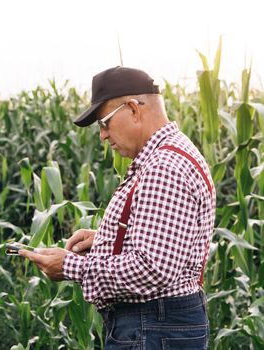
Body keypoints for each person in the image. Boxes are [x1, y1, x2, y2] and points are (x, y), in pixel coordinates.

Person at [19, 66, 216, 349]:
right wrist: (105, 240)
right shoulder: (168, 155)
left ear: (133, 109)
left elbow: (152, 269)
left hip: (152, 326)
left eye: (104, 123)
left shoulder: (163, 168)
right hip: (157, 326)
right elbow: (167, 246)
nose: (102, 135)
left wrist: (71, 266)